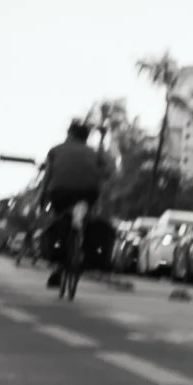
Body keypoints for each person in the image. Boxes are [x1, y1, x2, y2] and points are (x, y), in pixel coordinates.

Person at [36, 120, 108, 291]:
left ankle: (60, 260)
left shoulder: (55, 150)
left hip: (60, 192)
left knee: (59, 220)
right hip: (89, 193)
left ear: (70, 134)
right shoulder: (93, 153)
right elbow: (106, 174)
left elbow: (47, 177)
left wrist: (42, 199)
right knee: (86, 220)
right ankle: (80, 247)